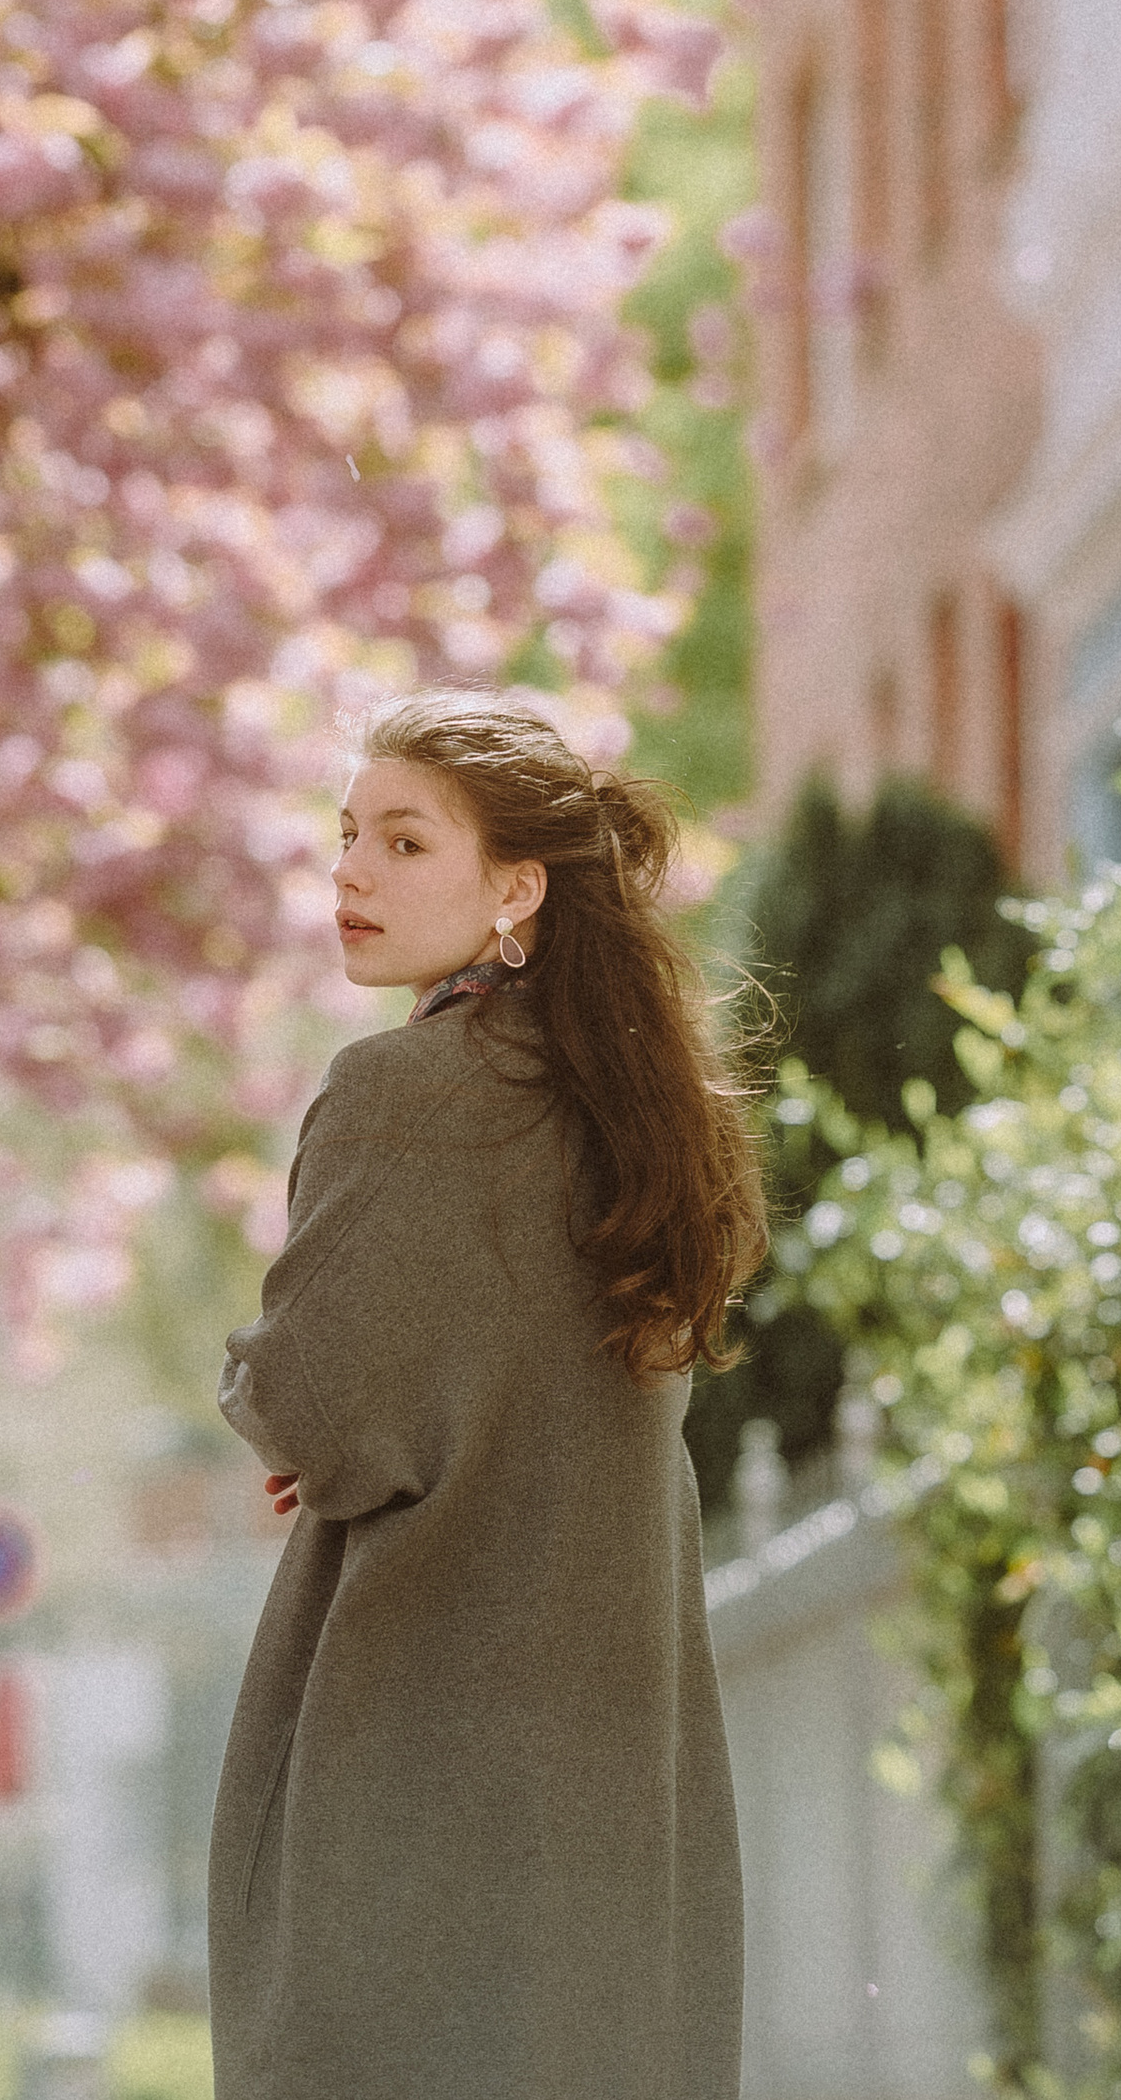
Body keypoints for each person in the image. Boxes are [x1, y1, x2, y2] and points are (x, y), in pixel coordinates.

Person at [206, 688, 767, 2100]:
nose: (348, 871)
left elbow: (323, 1406)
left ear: (518, 886)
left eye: (403, 841)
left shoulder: (405, 1090)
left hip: (418, 1776)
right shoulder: (640, 1111)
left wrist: (273, 1400)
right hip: (609, 1795)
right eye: (346, 835)